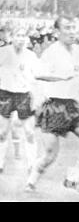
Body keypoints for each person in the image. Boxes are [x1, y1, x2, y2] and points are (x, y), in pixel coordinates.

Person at [26, 15, 79, 195]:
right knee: (49, 155)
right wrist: (60, 77)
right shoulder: (51, 52)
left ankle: (72, 179)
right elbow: (38, 74)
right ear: (57, 32)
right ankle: (31, 181)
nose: (72, 32)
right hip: (54, 106)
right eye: (67, 28)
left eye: (73, 28)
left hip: (73, 107)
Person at [0, 28, 40, 173]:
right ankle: (0, 164)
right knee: (2, 132)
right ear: (12, 37)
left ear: (26, 39)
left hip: (23, 95)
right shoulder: (3, 52)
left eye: (23, 36)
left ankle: (32, 164)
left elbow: (36, 77)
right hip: (5, 94)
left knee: (29, 132)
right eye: (18, 35)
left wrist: (35, 95)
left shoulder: (31, 56)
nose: (20, 38)